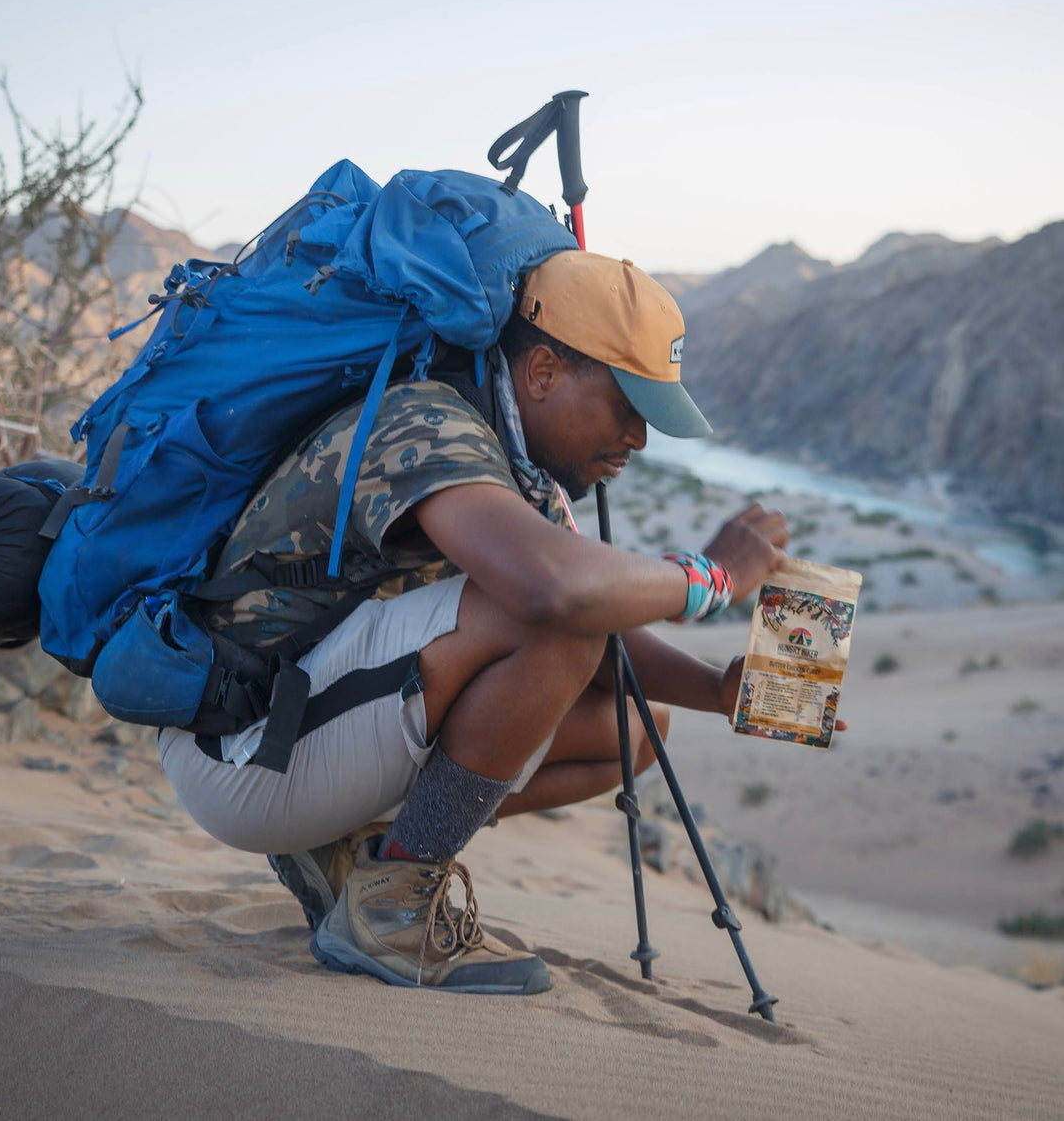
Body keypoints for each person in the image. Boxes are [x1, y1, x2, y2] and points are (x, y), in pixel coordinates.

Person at [157, 249, 791, 996]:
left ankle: (357, 856)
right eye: (627, 405)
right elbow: (555, 598)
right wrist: (710, 578)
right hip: (241, 750)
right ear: (545, 372)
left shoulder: (514, 466)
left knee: (633, 726)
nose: (639, 439)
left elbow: (588, 615)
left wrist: (719, 690)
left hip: (298, 725)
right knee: (556, 614)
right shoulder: (428, 423)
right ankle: (393, 904)